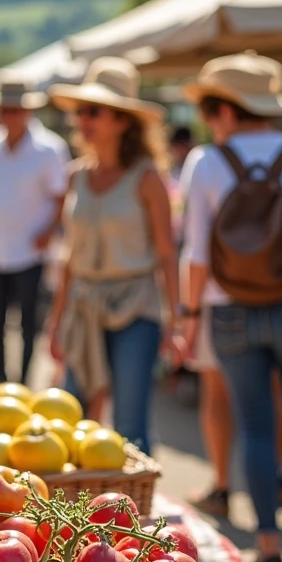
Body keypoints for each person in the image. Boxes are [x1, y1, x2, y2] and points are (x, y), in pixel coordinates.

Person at [180, 52, 282, 562]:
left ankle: (268, 551)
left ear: (228, 110)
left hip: (229, 309)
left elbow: (196, 252)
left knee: (257, 428)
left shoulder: (207, 164)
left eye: (212, 107)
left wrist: (188, 318)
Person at [47, 57, 179, 457]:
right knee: (73, 419)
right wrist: (55, 322)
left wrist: (176, 321)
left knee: (129, 426)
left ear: (123, 121)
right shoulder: (76, 175)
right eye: (81, 111)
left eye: (95, 112)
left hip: (136, 306)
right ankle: (80, 513)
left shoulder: (147, 177)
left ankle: (131, 512)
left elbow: (167, 253)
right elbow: (69, 256)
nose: (83, 119)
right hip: (83, 305)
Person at [0, 77, 70, 384]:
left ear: (27, 112)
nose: (10, 116)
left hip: (30, 251)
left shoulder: (50, 148)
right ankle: (0, 379)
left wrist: (48, 231)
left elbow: (61, 197)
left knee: (28, 322)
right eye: (5, 110)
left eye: (15, 110)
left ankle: (23, 380)